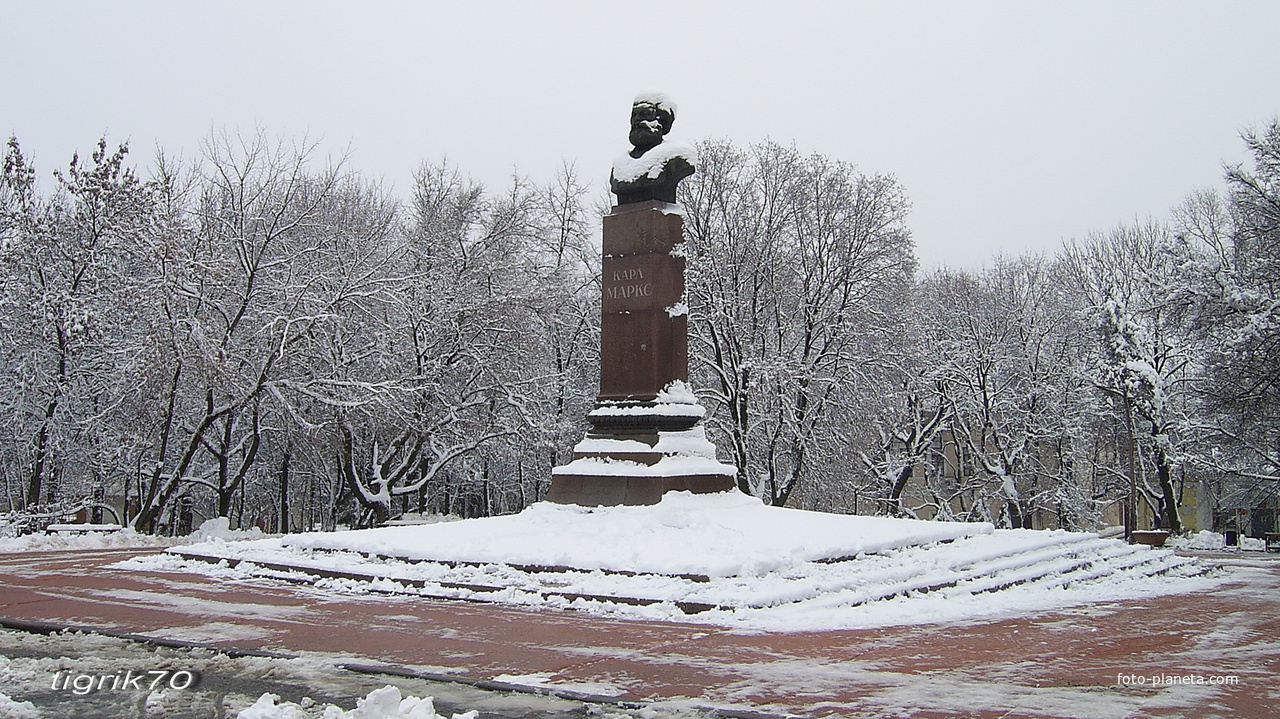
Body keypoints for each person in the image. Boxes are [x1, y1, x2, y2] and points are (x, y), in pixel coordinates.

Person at [610, 93, 695, 205]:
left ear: (662, 121)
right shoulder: (619, 165)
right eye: (634, 115)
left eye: (644, 114)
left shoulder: (677, 157)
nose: (637, 120)